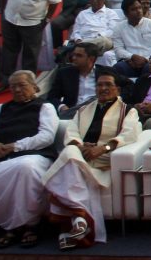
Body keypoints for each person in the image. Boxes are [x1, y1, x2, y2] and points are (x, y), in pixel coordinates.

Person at [42, 70, 140, 250]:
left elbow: (128, 135)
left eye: (108, 85)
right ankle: (80, 220)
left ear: (117, 89)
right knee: (71, 151)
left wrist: (102, 148)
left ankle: (75, 221)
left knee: (68, 159)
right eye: (99, 85)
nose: (103, 88)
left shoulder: (128, 111)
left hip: (103, 160)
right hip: (81, 155)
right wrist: (81, 147)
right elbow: (71, 132)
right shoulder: (84, 109)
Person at [0, 71, 58, 249]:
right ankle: (13, 224)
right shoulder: (1, 108)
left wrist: (15, 146)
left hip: (36, 156)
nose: (17, 89)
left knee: (25, 167)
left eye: (22, 85)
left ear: (34, 87)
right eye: (13, 86)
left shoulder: (45, 107)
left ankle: (30, 225)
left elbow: (46, 136)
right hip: (2, 158)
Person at [47, 43, 112, 118]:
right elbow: (52, 97)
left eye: (79, 55)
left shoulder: (105, 72)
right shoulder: (64, 73)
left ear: (91, 59)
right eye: (73, 55)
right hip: (72, 114)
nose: (74, 58)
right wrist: (62, 107)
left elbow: (125, 86)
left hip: (98, 113)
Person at [112, 0, 151, 78]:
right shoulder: (119, 27)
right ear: (125, 13)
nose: (138, 11)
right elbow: (118, 49)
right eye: (133, 9)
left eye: (139, 7)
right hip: (130, 62)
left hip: (150, 61)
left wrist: (146, 59)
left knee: (149, 68)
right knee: (118, 68)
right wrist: (132, 57)